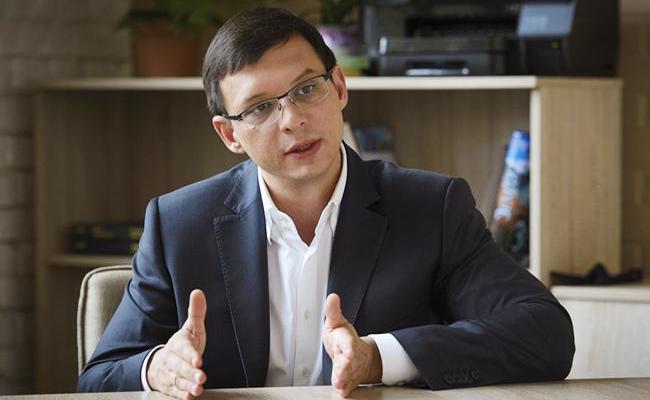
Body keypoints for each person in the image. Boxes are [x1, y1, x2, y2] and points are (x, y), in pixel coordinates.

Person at [77, 7, 575, 399]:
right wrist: (156, 369)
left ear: (338, 88)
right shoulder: (179, 224)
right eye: (260, 108)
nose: (292, 119)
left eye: (306, 89)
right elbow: (96, 379)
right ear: (229, 134)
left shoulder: (431, 208)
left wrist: (377, 357)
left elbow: (545, 333)